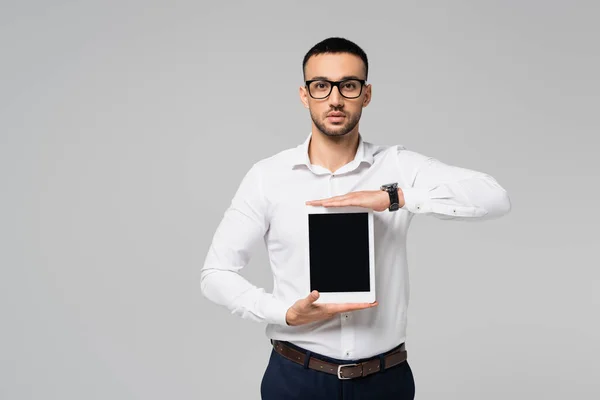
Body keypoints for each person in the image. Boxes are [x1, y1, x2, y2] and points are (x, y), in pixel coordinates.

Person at [200, 37, 511, 399]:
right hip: (296, 378)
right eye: (321, 86)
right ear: (305, 95)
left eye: (348, 85)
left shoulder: (397, 166)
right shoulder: (267, 176)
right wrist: (284, 313)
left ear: (366, 94)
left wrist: (395, 197)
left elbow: (494, 197)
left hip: (384, 380)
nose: (335, 99)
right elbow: (215, 274)